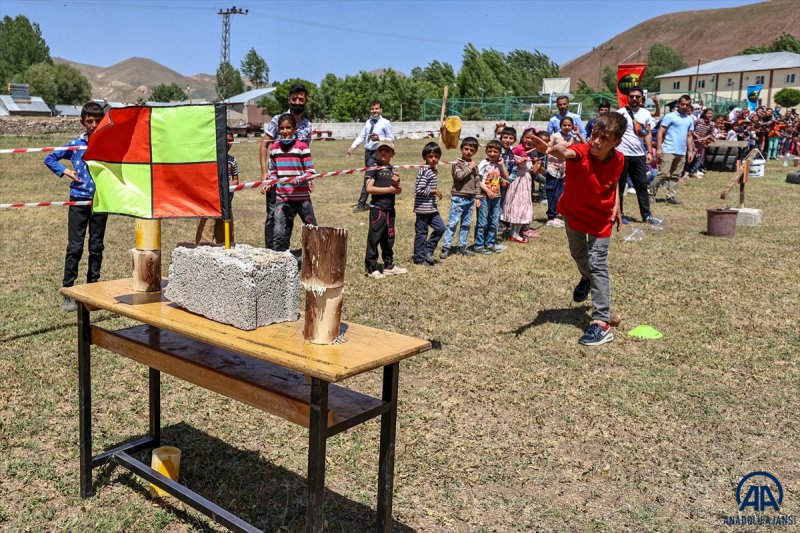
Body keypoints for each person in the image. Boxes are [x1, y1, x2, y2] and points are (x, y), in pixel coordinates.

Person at [529, 113, 628, 346]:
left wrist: (617, 206)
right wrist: (548, 149)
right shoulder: (582, 151)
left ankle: (601, 322)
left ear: (616, 142)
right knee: (578, 254)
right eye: (594, 135)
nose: (595, 142)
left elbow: (612, 183)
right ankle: (586, 277)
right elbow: (565, 152)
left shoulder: (620, 158)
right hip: (573, 213)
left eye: (604, 138)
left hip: (601, 219)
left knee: (598, 263)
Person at [44, 101, 108, 312]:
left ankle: (93, 291)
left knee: (96, 247)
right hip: (78, 200)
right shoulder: (75, 145)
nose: (93, 125)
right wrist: (66, 171)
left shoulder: (108, 142)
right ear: (82, 122)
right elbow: (49, 157)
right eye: (89, 121)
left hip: (101, 201)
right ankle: (68, 292)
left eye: (97, 121)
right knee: (75, 247)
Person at [260, 83, 312, 249]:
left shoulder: (307, 125)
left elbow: (306, 153)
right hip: (277, 178)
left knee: (291, 216)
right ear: (289, 99)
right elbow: (264, 145)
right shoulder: (278, 120)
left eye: (300, 99)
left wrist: (309, 177)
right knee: (273, 216)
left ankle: (284, 250)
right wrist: (264, 173)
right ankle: (271, 252)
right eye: (294, 98)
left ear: (305, 100)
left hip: (298, 182)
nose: (297, 102)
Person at [615, 86, 661, 226]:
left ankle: (646, 215)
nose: (634, 99)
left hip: (639, 155)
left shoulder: (646, 113)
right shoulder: (620, 113)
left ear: (642, 99)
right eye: (631, 96)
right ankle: (619, 214)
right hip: (622, 154)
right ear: (628, 98)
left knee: (641, 185)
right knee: (620, 186)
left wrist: (648, 151)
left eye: (637, 96)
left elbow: (647, 133)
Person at [363, 141, 407, 278]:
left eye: (387, 150)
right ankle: (371, 267)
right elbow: (369, 188)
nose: (383, 152)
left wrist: (396, 184)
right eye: (380, 150)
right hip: (378, 210)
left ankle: (388, 265)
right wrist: (389, 189)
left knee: (389, 238)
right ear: (376, 152)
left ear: (392, 154)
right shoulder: (373, 168)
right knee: (374, 238)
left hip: (390, 209)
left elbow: (397, 191)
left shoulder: (392, 169)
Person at [349, 100, 395, 212]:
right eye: (373, 109)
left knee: (370, 178)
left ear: (381, 110)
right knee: (372, 177)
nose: (375, 111)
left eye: (377, 108)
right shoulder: (368, 122)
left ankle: (361, 204)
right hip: (368, 153)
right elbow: (362, 136)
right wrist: (353, 146)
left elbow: (392, 138)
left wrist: (379, 138)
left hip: (379, 153)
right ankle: (374, 201)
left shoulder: (385, 122)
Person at [196, 130, 239, 244]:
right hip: (209, 203)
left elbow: (235, 180)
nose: (228, 143)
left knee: (226, 238)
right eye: (225, 140)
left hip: (226, 203)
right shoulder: (209, 159)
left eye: (230, 141)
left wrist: (228, 186)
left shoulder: (232, 160)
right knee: (205, 235)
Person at [440, 137, 480, 259]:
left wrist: (478, 196)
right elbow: (459, 176)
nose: (468, 152)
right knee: (453, 223)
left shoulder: (474, 165)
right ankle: (446, 247)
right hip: (458, 198)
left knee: (466, 224)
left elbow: (477, 181)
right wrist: (470, 167)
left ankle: (461, 246)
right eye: (466, 149)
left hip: (470, 198)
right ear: (461, 149)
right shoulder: (457, 164)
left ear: (475, 151)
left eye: (471, 150)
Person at [653, 95, 695, 205]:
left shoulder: (690, 119)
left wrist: (690, 151)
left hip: (681, 152)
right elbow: (660, 132)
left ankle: (670, 197)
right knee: (663, 173)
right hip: (668, 149)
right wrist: (659, 148)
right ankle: (651, 195)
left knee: (676, 176)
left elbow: (689, 136)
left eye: (687, 105)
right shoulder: (670, 116)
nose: (685, 106)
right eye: (682, 104)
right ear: (678, 104)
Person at [503, 128, 540, 243]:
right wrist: (518, 161)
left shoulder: (532, 151)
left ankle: (516, 232)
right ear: (522, 137)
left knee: (523, 207)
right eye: (527, 137)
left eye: (532, 138)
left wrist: (537, 163)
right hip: (517, 182)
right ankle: (513, 233)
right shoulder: (517, 149)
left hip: (526, 182)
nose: (529, 140)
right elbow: (509, 163)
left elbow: (533, 171)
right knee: (517, 206)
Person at [544, 116, 581, 227]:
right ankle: (551, 217)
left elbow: (582, 145)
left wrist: (577, 134)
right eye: (564, 125)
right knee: (552, 192)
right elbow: (548, 148)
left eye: (569, 125)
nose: (567, 127)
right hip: (553, 167)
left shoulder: (572, 138)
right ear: (560, 126)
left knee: (560, 193)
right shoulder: (555, 136)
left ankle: (556, 214)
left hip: (564, 169)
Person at [413, 142, 445, 265]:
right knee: (421, 234)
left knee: (441, 228)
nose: (433, 159)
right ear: (424, 157)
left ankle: (428, 250)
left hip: (432, 209)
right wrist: (434, 191)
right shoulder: (424, 171)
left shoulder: (432, 170)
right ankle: (419, 258)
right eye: (430, 156)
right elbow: (419, 190)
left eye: (436, 156)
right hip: (422, 210)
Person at [473, 139, 508, 254]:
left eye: (495, 152)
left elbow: (506, 177)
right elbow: (477, 180)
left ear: (500, 153)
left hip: (497, 197)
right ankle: (479, 245)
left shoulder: (499, 163)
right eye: (490, 151)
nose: (492, 154)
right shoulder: (484, 163)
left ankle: (490, 243)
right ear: (486, 151)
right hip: (484, 197)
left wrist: (502, 165)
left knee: (494, 222)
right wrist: (487, 191)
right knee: (483, 222)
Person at [687, 107, 715, 176]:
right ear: (705, 114)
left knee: (700, 157)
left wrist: (705, 138)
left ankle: (695, 170)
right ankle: (687, 170)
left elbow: (711, 134)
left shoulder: (711, 124)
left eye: (711, 113)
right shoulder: (698, 121)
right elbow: (691, 129)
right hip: (693, 142)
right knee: (691, 155)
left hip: (702, 143)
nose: (710, 115)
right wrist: (695, 135)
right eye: (708, 113)